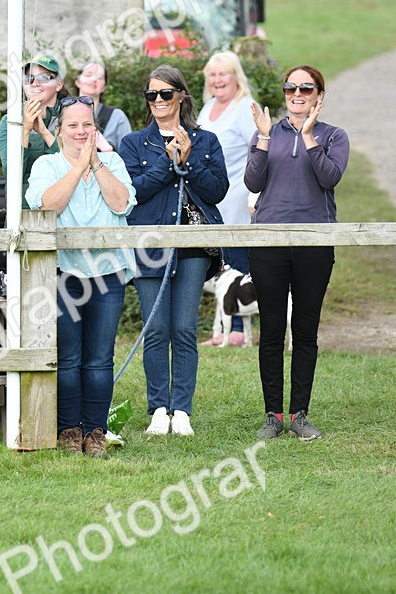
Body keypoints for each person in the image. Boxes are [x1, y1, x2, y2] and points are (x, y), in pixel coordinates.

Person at [118, 65, 228, 437]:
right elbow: (133, 194)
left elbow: (217, 191)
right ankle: (158, 409)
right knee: (155, 328)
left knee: (183, 328)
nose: (159, 101)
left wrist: (190, 160)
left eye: (166, 94)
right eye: (152, 95)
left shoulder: (207, 140)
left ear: (182, 95)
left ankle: (182, 410)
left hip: (193, 244)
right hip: (149, 244)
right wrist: (169, 163)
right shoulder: (134, 143)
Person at [26, 96, 136, 458]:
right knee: (68, 356)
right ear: (59, 131)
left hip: (108, 273)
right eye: (72, 125)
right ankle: (69, 430)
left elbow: (121, 204)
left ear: (96, 128)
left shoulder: (114, 161)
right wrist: (77, 168)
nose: (81, 131)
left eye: (87, 124)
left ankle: (96, 431)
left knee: (101, 358)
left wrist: (97, 164)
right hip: (63, 272)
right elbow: (47, 206)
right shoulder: (46, 164)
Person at [247, 66, 348, 442]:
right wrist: (261, 136)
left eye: (306, 87)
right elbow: (253, 182)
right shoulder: (267, 133)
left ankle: (300, 414)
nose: (297, 92)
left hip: (314, 242)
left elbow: (330, 178)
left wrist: (308, 136)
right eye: (291, 87)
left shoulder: (334, 135)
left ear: (319, 94)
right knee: (272, 331)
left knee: (305, 331)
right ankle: (273, 415)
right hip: (269, 242)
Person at [197, 50, 258, 346]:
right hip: (211, 205)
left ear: (236, 78)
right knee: (219, 270)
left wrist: (255, 195)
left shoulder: (245, 107)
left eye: (223, 73)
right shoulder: (207, 108)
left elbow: (260, 152)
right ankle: (222, 330)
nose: (217, 79)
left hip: (239, 202)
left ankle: (238, 332)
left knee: (239, 267)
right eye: (212, 74)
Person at [0, 54, 66, 207]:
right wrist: (25, 131)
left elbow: (72, 168)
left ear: (59, 84)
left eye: (43, 78)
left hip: (65, 209)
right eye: (28, 78)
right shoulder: (10, 121)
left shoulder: (71, 117)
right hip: (22, 210)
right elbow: (12, 175)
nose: (34, 83)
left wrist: (43, 131)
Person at [75, 61, 132, 152]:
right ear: (77, 81)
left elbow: (129, 156)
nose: (94, 79)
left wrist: (106, 149)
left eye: (99, 77)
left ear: (104, 87)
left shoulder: (117, 117)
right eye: (88, 75)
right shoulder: (62, 114)